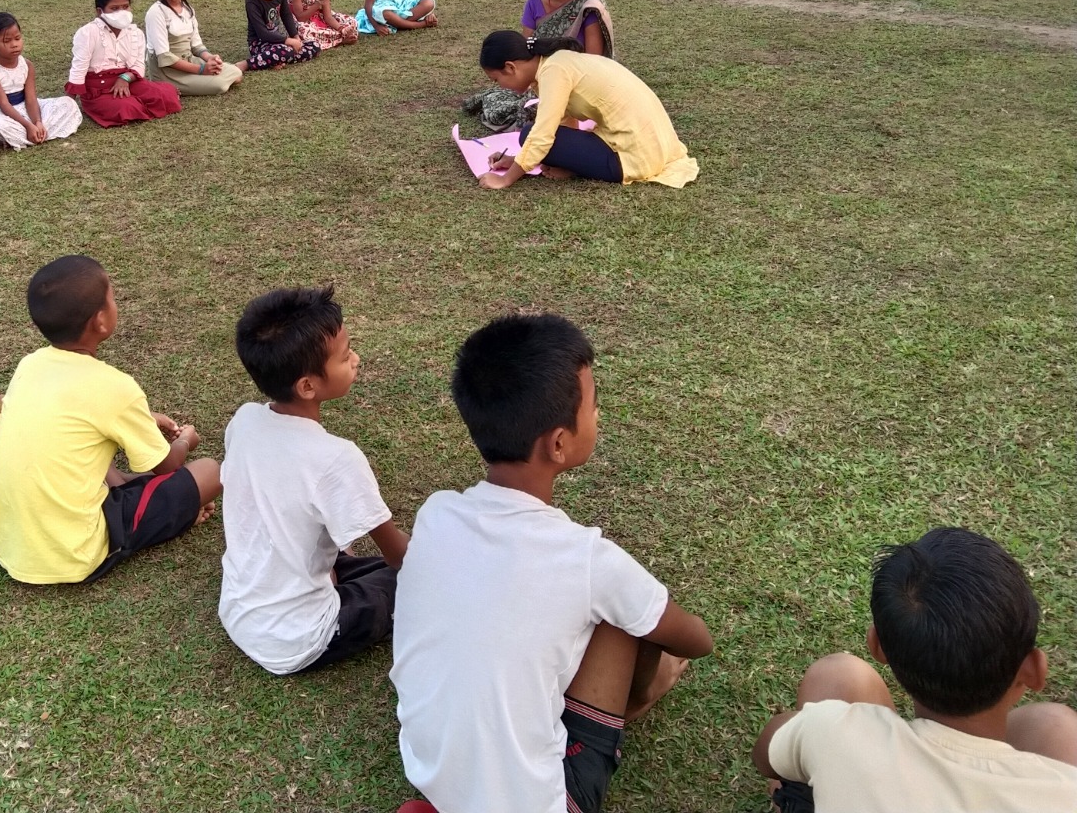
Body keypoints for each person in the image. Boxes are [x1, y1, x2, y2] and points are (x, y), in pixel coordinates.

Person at [392, 313, 714, 813]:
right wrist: (664, 663)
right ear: (559, 443)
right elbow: (697, 640)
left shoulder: (435, 513)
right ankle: (638, 700)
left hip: (429, 773)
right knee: (627, 618)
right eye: (594, 404)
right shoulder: (587, 560)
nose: (599, 414)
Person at [753, 527, 1077, 813]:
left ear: (877, 647)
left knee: (836, 675)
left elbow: (765, 755)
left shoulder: (831, 731)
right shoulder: (1065, 792)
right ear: (1034, 671)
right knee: (1055, 724)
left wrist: (808, 731)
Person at [0, 255, 221, 584]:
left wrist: (142, 419)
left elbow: (70, 418)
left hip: (7, 540)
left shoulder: (29, 365)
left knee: (78, 444)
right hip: (73, 553)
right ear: (100, 322)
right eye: (112, 298)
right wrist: (185, 440)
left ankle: (124, 485)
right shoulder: (115, 386)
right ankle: (170, 515)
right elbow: (168, 465)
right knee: (210, 472)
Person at [220, 286, 407, 674]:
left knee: (366, 567)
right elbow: (400, 557)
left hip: (240, 611)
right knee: (420, 580)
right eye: (345, 355)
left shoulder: (245, 420)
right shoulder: (336, 458)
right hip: (299, 639)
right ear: (307, 386)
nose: (356, 359)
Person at [476, 32, 698, 189]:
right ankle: (577, 167)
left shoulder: (553, 71)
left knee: (528, 134)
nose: (499, 86)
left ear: (510, 67)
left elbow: (543, 134)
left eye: (496, 80)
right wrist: (516, 159)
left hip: (633, 155)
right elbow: (564, 124)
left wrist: (506, 179)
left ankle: (584, 167)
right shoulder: (556, 62)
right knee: (533, 137)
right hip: (655, 146)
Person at [66, 0, 183, 127]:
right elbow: (79, 67)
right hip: (98, 89)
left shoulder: (135, 33)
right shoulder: (88, 33)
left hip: (129, 81)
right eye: (114, 8)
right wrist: (69, 104)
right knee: (126, 108)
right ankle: (127, 103)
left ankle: (137, 99)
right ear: (100, 11)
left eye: (125, 6)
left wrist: (125, 78)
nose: (121, 12)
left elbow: (138, 64)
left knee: (165, 95)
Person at [0, 12, 83, 149]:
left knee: (68, 104)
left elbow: (31, 99)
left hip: (25, 108)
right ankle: (30, 133)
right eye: (7, 41)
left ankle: (35, 132)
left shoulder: (27, 65)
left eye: (17, 38)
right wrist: (28, 125)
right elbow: (3, 104)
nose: (14, 44)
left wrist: (37, 122)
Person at [143, 0, 245, 96]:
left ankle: (204, 78)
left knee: (236, 72)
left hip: (189, 61)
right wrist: (201, 70)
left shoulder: (188, 9)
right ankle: (172, 85)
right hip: (168, 72)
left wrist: (210, 58)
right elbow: (165, 57)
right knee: (220, 85)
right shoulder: (156, 13)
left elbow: (196, 46)